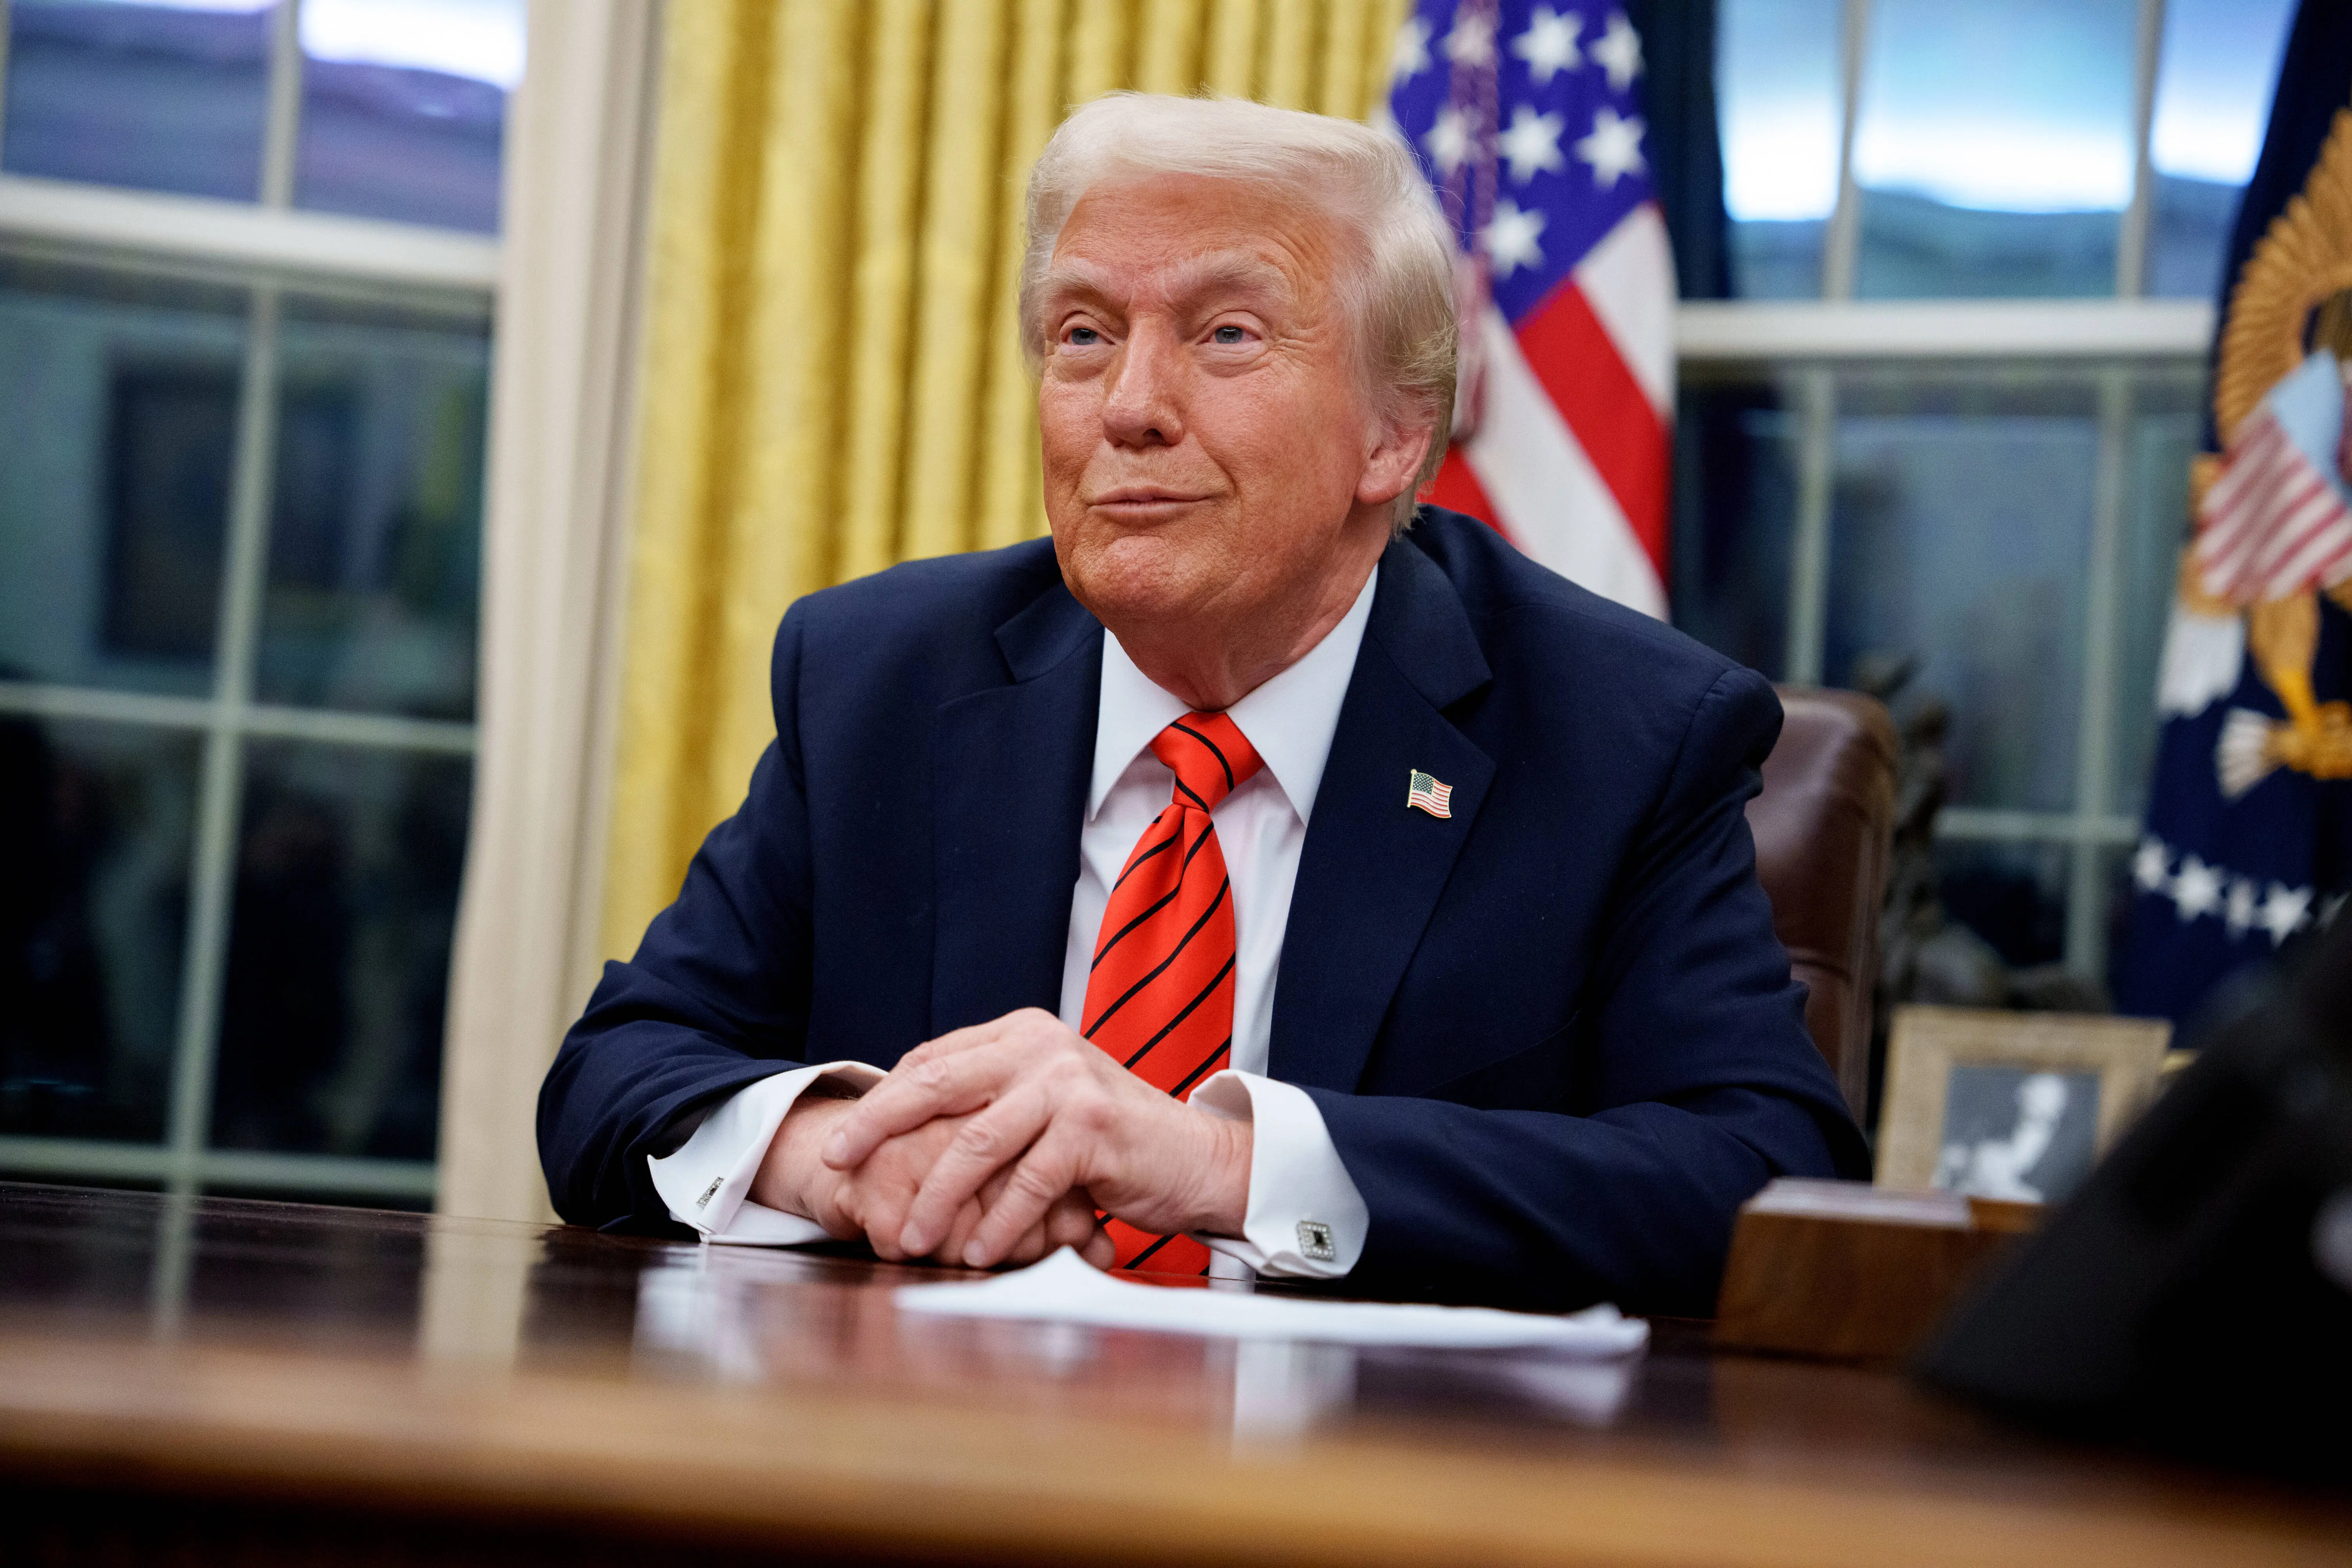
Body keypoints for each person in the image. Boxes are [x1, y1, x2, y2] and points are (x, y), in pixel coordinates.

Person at [539, 93, 1867, 1315]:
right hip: (935, 1469)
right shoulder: (885, 677)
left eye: (1226, 334)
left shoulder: (1619, 734)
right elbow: (613, 1075)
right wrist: (839, 1155)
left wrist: (1214, 1163)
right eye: (1083, 335)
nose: (1128, 408)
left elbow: (1766, 1180)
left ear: (1393, 434)